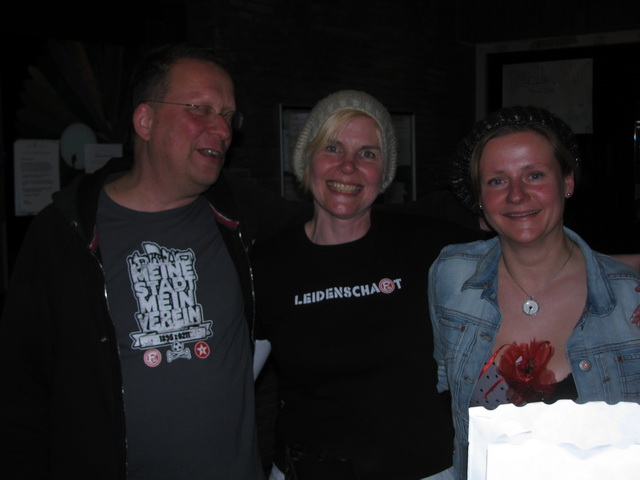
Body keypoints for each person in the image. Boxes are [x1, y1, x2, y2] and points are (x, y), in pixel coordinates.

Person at [0, 44, 300, 479]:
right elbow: (20, 391)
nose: (222, 129)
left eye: (228, 116)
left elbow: (333, 237)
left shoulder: (243, 217)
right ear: (145, 121)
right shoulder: (63, 233)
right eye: (201, 109)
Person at [251, 90, 479, 480]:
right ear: (307, 159)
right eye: (332, 148)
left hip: (426, 470)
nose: (348, 166)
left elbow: (526, 259)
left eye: (368, 154)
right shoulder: (268, 262)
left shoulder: (430, 244)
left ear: (384, 173)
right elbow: (233, 382)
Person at [428, 106, 640, 479]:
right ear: (480, 198)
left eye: (535, 175)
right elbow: (442, 383)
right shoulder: (452, 275)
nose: (516, 195)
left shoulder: (629, 297)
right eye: (497, 180)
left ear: (567, 182)